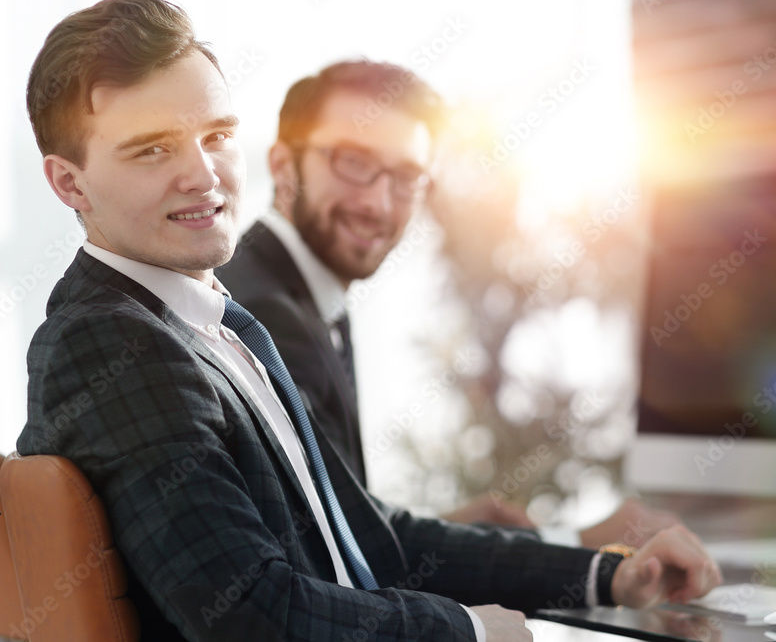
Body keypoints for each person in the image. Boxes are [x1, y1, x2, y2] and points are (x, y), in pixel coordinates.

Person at [18, 0, 721, 641]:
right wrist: (469, 633)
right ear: (68, 182)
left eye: (216, 135)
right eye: (152, 149)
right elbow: (248, 617)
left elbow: (369, 539)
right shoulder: (111, 341)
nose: (203, 175)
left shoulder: (211, 327)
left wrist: (602, 574)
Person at [218, 60, 683, 547]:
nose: (379, 203)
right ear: (282, 166)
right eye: (352, 162)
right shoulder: (265, 317)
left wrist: (465, 531)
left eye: (406, 177)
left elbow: (343, 531)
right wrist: (576, 545)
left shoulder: (300, 296)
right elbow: (353, 555)